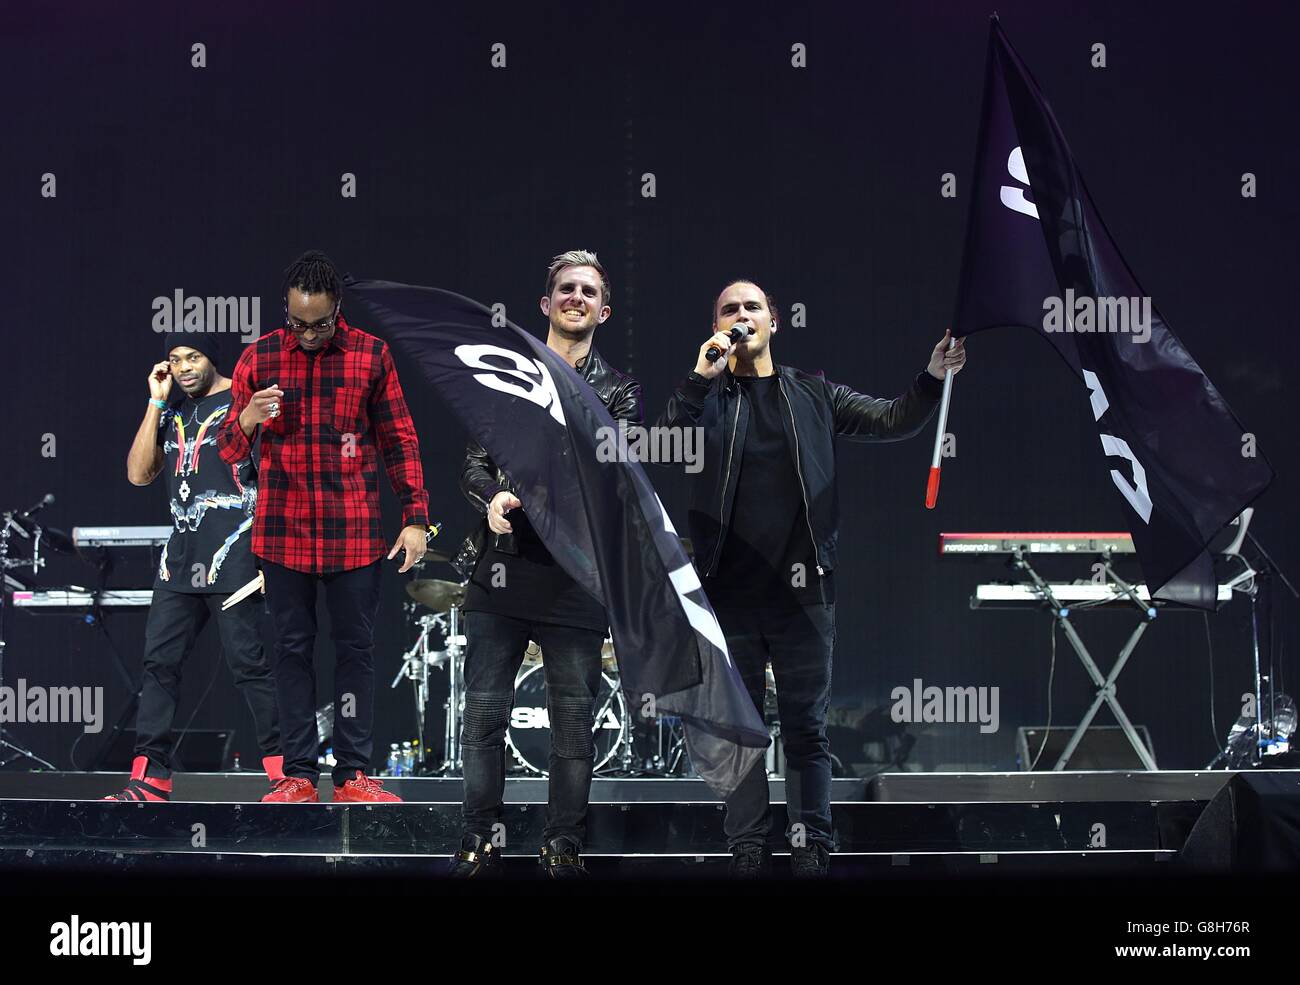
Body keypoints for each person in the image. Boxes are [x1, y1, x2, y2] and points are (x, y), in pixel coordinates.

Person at [658, 279, 966, 876]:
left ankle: (810, 847)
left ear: (774, 320)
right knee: (740, 729)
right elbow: (661, 441)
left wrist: (931, 377)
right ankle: (747, 849)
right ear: (716, 323)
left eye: (752, 307)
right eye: (729, 309)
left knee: (806, 726)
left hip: (804, 591)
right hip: (728, 590)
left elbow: (893, 419)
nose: (741, 316)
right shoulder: (710, 401)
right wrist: (700, 375)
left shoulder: (814, 394)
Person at [449, 250, 642, 878]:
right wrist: (491, 496)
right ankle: (481, 841)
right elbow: (473, 463)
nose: (576, 297)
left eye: (588, 291)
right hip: (502, 570)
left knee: (572, 726)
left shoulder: (619, 391)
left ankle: (562, 848)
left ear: (603, 311)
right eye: (566, 289)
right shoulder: (504, 373)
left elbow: (619, 477)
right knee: (483, 715)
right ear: (546, 303)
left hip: (576, 579)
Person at [216, 250, 431, 804]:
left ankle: (354, 774)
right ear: (285, 311)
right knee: (290, 652)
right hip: (283, 534)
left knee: (356, 652)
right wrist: (246, 419)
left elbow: (399, 439)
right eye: (298, 323)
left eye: (320, 323)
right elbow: (228, 450)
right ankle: (298, 775)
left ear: (339, 310)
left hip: (353, 531)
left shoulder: (371, 354)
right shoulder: (258, 357)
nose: (308, 334)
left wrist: (416, 519)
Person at [106, 334, 281, 801]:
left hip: (237, 554)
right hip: (180, 563)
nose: (183, 367)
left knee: (249, 665)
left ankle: (288, 777)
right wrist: (154, 402)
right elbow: (139, 474)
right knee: (159, 664)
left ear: (213, 358)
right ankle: (150, 779)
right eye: (174, 359)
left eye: (193, 357)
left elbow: (279, 481)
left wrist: (270, 559)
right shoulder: (174, 412)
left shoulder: (246, 403)